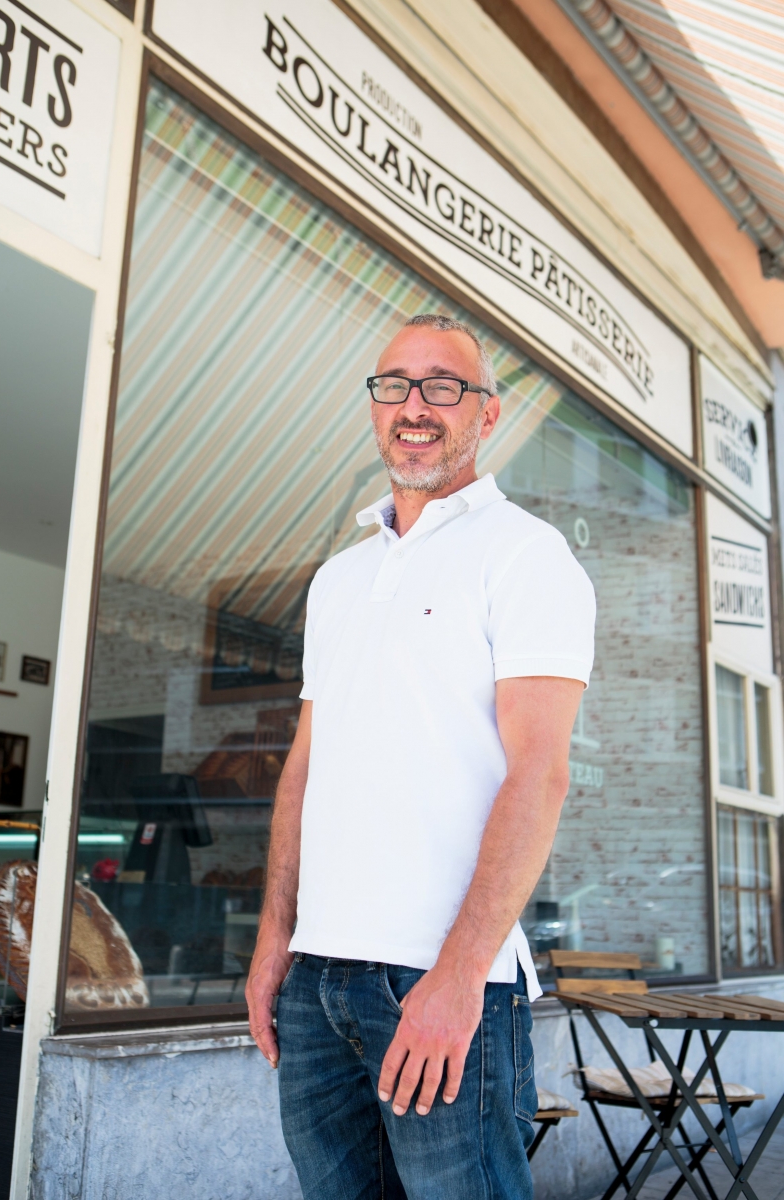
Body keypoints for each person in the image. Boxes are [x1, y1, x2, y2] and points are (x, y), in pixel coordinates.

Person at [246, 313, 596, 1199]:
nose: (414, 404)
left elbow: (538, 773)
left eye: (444, 385)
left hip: (438, 982)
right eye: (394, 384)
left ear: (486, 414)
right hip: (318, 982)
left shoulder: (525, 554)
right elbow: (304, 767)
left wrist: (457, 975)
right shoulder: (338, 578)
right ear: (373, 407)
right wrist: (274, 939)